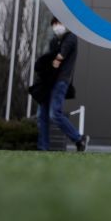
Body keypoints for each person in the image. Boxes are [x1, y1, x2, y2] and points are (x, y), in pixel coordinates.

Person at [36, 17, 88, 152]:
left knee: (54, 113)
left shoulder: (71, 38)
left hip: (61, 81)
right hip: (49, 82)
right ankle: (43, 147)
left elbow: (58, 58)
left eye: (59, 23)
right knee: (42, 115)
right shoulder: (54, 41)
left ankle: (78, 138)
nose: (56, 26)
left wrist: (52, 62)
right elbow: (50, 60)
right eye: (54, 24)